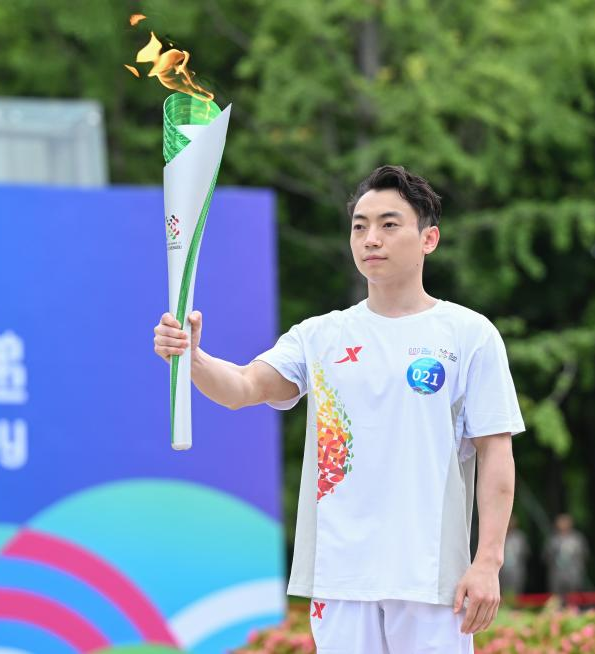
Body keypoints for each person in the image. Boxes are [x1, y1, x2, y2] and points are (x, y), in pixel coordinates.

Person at [153, 165, 524, 653]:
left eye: (389, 224)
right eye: (360, 226)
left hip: (431, 578)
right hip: (341, 578)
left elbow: (495, 452)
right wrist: (193, 358)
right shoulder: (320, 336)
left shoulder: (469, 335)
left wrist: (488, 561)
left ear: (428, 239)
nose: (371, 238)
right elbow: (243, 387)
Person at [545, 513, 589, 604]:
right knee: (557, 599)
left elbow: (584, 555)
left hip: (574, 575)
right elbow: (547, 556)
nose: (563, 525)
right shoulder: (553, 539)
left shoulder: (577, 538)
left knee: (573, 599)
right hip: (557, 575)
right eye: (561, 522)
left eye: (565, 522)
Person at [499, 515, 530, 598]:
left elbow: (525, 554)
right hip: (501, 570)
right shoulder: (498, 536)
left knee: (517, 592)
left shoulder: (520, 537)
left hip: (516, 570)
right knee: (501, 592)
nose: (510, 524)